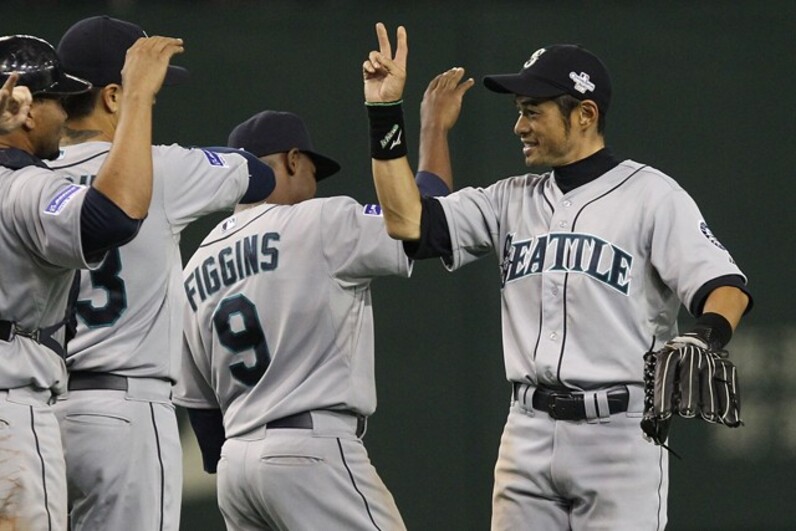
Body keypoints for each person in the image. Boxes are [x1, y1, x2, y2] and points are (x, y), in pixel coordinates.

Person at [362, 23, 752, 530]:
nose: (519, 127)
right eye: (518, 111)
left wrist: (705, 335)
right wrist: (384, 114)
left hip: (619, 435)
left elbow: (725, 286)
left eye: (532, 111)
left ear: (585, 114)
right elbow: (408, 221)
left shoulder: (652, 195)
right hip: (526, 431)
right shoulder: (508, 198)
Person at [47, 15, 276, 531]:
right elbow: (258, 174)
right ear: (113, 97)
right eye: (148, 92)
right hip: (128, 410)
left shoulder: (31, 184)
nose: (153, 99)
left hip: (43, 413)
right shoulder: (163, 170)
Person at [173, 109, 451, 530]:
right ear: (291, 160)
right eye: (312, 168)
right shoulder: (321, 221)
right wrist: (435, 130)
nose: (315, 181)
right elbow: (421, 217)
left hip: (236, 469)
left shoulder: (194, 267)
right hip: (310, 450)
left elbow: (201, 412)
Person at [0, 33, 183, 531]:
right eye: (57, 99)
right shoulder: (24, 187)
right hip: (11, 407)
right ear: (24, 109)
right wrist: (140, 96)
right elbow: (112, 220)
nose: (66, 114)